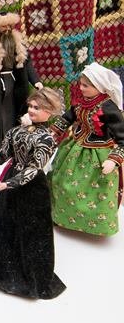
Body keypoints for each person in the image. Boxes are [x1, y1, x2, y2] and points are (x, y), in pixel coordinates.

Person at [0, 87, 67, 299]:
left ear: (50, 112)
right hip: (11, 182)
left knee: (31, 230)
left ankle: (30, 272)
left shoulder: (47, 139)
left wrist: (9, 184)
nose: (31, 110)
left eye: (37, 107)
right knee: (2, 222)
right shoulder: (16, 131)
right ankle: (0, 265)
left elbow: (34, 169)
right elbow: (3, 154)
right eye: (30, 106)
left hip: (32, 189)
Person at [50, 63, 124, 236]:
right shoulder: (81, 102)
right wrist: (53, 132)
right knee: (61, 182)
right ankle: (62, 217)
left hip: (98, 156)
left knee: (95, 191)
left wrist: (113, 159)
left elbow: (122, 138)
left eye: (86, 86)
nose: (81, 88)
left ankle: (95, 225)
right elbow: (68, 117)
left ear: (99, 86)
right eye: (81, 84)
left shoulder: (109, 108)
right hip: (73, 149)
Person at [0, 12, 43, 155]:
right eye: (4, 26)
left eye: (10, 26)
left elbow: (27, 63)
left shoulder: (16, 41)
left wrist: (35, 80)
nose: (8, 29)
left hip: (15, 83)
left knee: (14, 114)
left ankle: (16, 145)